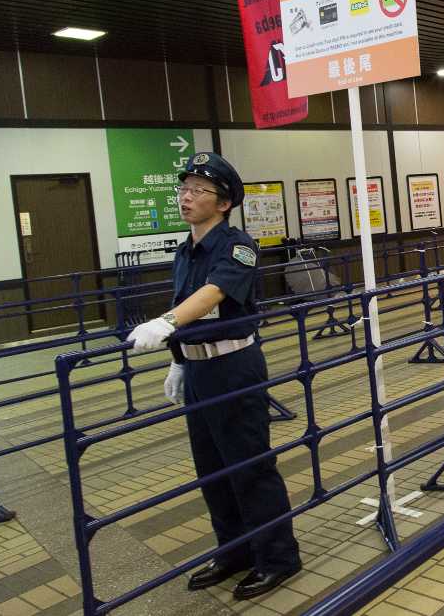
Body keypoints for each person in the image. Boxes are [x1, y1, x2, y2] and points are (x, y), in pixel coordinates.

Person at [129, 152, 302, 599]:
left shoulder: (238, 245)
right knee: (211, 468)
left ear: (223, 203)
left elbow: (212, 294)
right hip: (199, 369)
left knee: (249, 466)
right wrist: (178, 360)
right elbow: (187, 299)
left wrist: (167, 323)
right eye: (183, 188)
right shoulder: (185, 251)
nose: (186, 196)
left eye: (198, 190)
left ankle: (278, 557)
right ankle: (235, 550)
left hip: (234, 367)